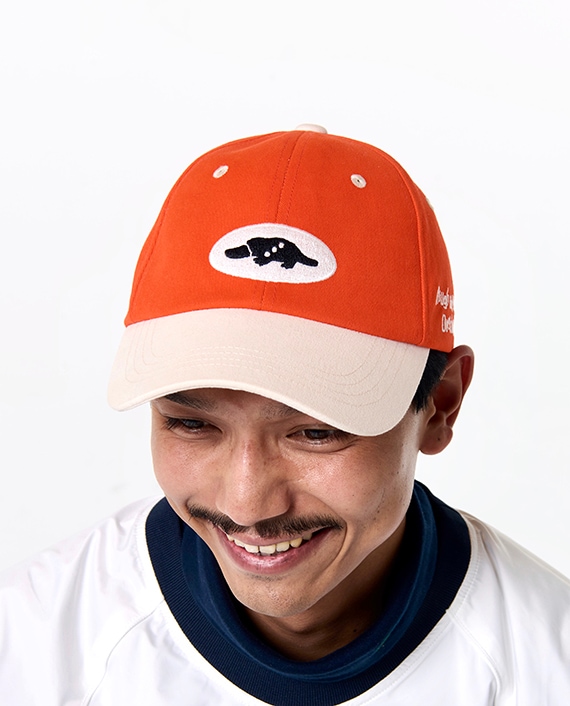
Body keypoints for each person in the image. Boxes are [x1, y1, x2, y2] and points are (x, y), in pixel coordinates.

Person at [1, 124, 569, 705]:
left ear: (441, 404)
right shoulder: (32, 647)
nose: (247, 504)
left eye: (316, 432)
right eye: (193, 424)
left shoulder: (547, 668)